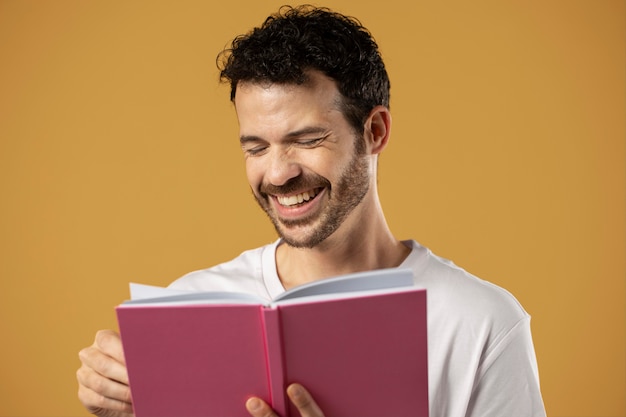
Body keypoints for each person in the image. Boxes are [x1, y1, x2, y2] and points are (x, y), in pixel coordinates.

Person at [76, 5, 547, 417]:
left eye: (306, 140)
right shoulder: (191, 308)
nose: (278, 174)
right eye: (256, 147)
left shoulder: (482, 323)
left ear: (375, 131)